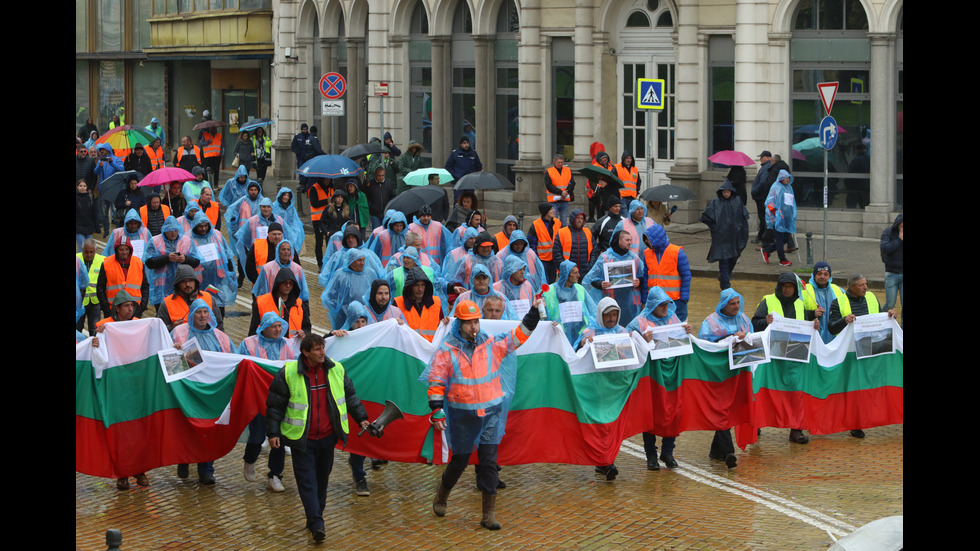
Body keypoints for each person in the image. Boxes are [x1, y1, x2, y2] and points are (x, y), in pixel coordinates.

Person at [425, 298, 543, 530]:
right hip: (462, 415)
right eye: (469, 323)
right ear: (459, 323)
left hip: (491, 412)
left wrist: (534, 313)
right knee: (460, 461)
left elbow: (518, 336)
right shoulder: (446, 351)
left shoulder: (491, 343)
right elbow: (436, 381)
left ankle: (488, 515)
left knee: (489, 461)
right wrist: (437, 410)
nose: (473, 327)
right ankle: (442, 495)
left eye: (476, 322)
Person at [264, 333, 370, 541]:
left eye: (323, 348)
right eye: (317, 349)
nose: (322, 352)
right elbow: (274, 406)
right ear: (305, 352)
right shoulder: (288, 373)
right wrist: (273, 432)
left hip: (328, 438)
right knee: (307, 482)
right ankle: (317, 524)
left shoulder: (336, 370)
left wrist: (362, 418)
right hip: (302, 440)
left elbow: (350, 397)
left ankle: (314, 516)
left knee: (322, 481)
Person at [90, 290, 150, 491]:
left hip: (136, 385)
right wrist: (95, 341)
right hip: (116, 386)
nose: (131, 309)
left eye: (132, 305)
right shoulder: (103, 326)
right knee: (119, 433)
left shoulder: (140, 325)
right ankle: (122, 474)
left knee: (139, 430)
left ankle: (140, 471)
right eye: (126, 306)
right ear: (117, 308)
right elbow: (94, 351)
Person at [626, 287, 692, 470]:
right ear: (653, 305)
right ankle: (651, 455)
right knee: (651, 413)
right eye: (661, 304)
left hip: (672, 375)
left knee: (673, 412)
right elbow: (627, 346)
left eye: (667, 304)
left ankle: (668, 451)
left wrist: (688, 332)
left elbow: (683, 340)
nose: (665, 307)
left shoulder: (673, 318)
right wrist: (640, 339)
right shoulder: (638, 322)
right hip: (652, 377)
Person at [750, 273, 819, 444]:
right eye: (785, 286)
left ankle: (796, 429)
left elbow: (802, 321)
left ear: (795, 288)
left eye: (791, 286)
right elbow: (754, 322)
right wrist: (765, 321)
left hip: (793, 358)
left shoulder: (799, 303)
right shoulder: (768, 301)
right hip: (771, 358)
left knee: (796, 393)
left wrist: (813, 321)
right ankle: (756, 423)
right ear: (779, 287)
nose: (788, 289)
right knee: (764, 390)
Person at [827, 273, 896, 439]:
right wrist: (844, 320)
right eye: (861, 285)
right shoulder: (838, 303)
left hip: (872, 350)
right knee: (854, 389)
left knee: (868, 387)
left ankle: (867, 417)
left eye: (866, 284)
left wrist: (889, 316)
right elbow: (831, 328)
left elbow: (879, 317)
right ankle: (855, 423)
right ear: (851, 287)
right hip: (850, 353)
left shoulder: (872, 297)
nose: (866, 287)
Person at [239, 313, 298, 493]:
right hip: (258, 400)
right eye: (274, 326)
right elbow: (238, 366)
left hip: (281, 401)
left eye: (280, 326)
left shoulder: (288, 345)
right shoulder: (248, 344)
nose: (278, 330)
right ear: (263, 327)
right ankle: (250, 459)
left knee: (278, 438)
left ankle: (275, 475)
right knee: (257, 437)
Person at [573, 297, 628, 480]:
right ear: (600, 315)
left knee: (611, 426)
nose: (612, 319)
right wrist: (582, 343)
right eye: (608, 315)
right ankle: (604, 461)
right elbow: (575, 353)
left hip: (615, 387)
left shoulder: (623, 332)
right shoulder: (589, 331)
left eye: (615, 315)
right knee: (599, 425)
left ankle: (606, 460)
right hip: (595, 387)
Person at [698, 288, 752, 469]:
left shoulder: (744, 319)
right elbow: (706, 346)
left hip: (737, 373)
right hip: (718, 375)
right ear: (724, 305)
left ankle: (716, 450)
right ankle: (729, 452)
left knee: (728, 409)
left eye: (738, 303)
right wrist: (730, 338)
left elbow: (753, 340)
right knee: (722, 409)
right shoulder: (710, 322)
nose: (736, 307)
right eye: (732, 304)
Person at [583, 230, 646, 323]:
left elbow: (645, 275)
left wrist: (639, 281)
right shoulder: (605, 257)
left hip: (629, 304)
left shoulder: (634, 258)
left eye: (630, 240)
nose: (630, 243)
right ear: (618, 241)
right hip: (610, 302)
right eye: (627, 240)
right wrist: (600, 284)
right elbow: (590, 279)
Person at [700, 179, 750, 290]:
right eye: (724, 192)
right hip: (721, 238)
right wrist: (715, 228)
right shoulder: (715, 202)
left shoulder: (737, 202)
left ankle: (724, 277)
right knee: (724, 261)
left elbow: (743, 219)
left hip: (735, 237)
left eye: (728, 191)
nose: (726, 194)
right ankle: (726, 286)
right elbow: (706, 217)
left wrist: (742, 233)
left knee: (733, 259)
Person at [186, 211, 237, 318]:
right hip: (198, 280)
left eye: (205, 226)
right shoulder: (188, 238)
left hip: (217, 278)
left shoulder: (217, 234)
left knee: (218, 305)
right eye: (200, 226)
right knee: (200, 306)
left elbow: (227, 254)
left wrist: (231, 273)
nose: (203, 229)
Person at [144, 217, 199, 311]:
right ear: (164, 230)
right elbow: (149, 263)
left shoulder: (187, 241)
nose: (173, 233)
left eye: (175, 230)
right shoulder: (155, 241)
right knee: (164, 313)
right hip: (161, 287)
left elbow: (196, 261)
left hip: (182, 285)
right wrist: (167, 258)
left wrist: (185, 259)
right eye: (170, 231)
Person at [321, 249, 383, 331]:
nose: (362, 263)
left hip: (365, 316)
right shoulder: (340, 274)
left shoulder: (370, 273)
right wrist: (338, 311)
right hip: (343, 316)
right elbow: (330, 296)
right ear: (351, 261)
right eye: (359, 260)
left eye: (363, 260)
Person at [641, 224, 691, 321]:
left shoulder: (676, 252)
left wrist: (684, 299)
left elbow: (686, 276)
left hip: (675, 300)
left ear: (656, 239)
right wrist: (644, 300)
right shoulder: (647, 253)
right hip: (655, 300)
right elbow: (646, 278)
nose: (646, 242)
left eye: (648, 239)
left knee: (677, 328)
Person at [542, 260, 596, 346]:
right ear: (566, 274)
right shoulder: (549, 291)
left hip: (580, 336)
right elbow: (542, 317)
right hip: (557, 337)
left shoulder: (580, 289)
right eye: (575, 273)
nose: (578, 275)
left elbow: (593, 311)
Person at [96, 236, 149, 320]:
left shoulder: (139, 263)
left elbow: (145, 286)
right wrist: (106, 309)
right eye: (121, 250)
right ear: (116, 250)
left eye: (126, 249)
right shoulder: (107, 264)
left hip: (134, 309)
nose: (124, 252)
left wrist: (142, 307)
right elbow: (100, 287)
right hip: (112, 309)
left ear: (130, 250)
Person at [156, 263, 219, 332]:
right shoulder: (167, 303)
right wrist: (172, 327)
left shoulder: (208, 298)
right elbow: (159, 331)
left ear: (195, 282)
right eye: (184, 281)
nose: (188, 284)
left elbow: (219, 326)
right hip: (178, 341)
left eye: (191, 280)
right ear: (178, 284)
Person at [250, 267, 310, 338]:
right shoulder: (261, 302)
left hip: (292, 346)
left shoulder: (299, 303)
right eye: (285, 283)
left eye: (290, 283)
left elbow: (307, 328)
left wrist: (304, 333)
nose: (288, 286)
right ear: (278, 283)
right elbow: (253, 331)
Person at [395, 267, 447, 342]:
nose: (420, 289)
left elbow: (441, 326)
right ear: (410, 287)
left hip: (430, 350)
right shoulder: (398, 303)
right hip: (408, 350)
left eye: (422, 285)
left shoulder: (436, 302)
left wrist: (445, 322)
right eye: (416, 285)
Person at [801, 262, 846, 344]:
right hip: (812, 340)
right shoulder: (804, 291)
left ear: (830, 277)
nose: (822, 277)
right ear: (814, 275)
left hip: (835, 340)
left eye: (826, 274)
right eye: (819, 274)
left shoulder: (839, 290)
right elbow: (796, 313)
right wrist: (812, 314)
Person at [762, 169, 797, 266]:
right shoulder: (775, 187)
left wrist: (791, 214)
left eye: (788, 177)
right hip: (776, 218)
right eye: (786, 177)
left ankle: (767, 250)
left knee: (785, 238)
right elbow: (769, 202)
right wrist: (776, 212)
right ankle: (782, 259)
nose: (787, 179)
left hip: (786, 218)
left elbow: (791, 202)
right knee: (780, 239)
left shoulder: (789, 187)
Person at [497, 229, 547, 294]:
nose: (519, 246)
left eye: (521, 243)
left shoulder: (530, 253)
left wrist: (540, 290)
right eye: (517, 244)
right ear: (512, 243)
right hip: (509, 290)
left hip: (531, 290)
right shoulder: (502, 255)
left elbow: (540, 273)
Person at [527, 202, 562, 284]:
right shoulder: (536, 225)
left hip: (554, 259)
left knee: (552, 282)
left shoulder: (558, 222)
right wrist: (534, 259)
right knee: (544, 283)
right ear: (546, 212)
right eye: (551, 209)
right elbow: (531, 244)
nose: (554, 211)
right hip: (541, 260)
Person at [554, 209, 593, 278]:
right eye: (578, 218)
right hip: (567, 273)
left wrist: (590, 266)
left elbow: (594, 251)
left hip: (585, 272)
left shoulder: (588, 232)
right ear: (573, 219)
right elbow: (556, 253)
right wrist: (563, 269)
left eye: (582, 218)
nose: (580, 220)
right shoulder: (562, 232)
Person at [76, 239, 105, 334]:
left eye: (91, 252)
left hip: (95, 301)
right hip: (79, 302)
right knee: (77, 329)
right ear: (82, 249)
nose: (89, 255)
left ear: (95, 250)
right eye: (86, 252)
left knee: (95, 329)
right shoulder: (76, 259)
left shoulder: (102, 260)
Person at [880, 214, 903, 327]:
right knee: (890, 303)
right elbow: (885, 248)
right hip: (891, 273)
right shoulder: (888, 233)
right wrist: (899, 239)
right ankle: (881, 323)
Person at [308, 178, 335, 269]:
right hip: (318, 219)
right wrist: (326, 201)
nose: (327, 181)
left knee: (330, 241)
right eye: (325, 180)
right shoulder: (314, 188)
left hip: (330, 218)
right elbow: (314, 203)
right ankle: (320, 264)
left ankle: (330, 263)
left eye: (328, 179)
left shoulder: (332, 187)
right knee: (319, 242)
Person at [445, 136, 483, 203]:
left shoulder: (473, 153)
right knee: (458, 200)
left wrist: (474, 176)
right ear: (461, 144)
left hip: (470, 182)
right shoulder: (455, 153)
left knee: (469, 200)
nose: (466, 145)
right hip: (458, 181)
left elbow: (478, 166)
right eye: (464, 143)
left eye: (467, 143)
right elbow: (448, 167)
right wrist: (454, 175)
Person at [291, 123, 324, 191]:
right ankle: (303, 184)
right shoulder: (298, 137)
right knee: (302, 171)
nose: (305, 131)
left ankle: (306, 185)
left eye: (306, 129)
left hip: (309, 158)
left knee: (309, 172)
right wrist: (299, 152)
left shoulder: (310, 137)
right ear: (301, 130)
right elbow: (293, 147)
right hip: (301, 157)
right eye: (303, 129)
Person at [544, 153, 575, 225]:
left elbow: (572, 183)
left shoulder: (567, 170)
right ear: (554, 162)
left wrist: (566, 191)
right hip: (553, 200)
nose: (560, 164)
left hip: (564, 199)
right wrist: (561, 192)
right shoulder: (549, 171)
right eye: (559, 162)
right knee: (554, 222)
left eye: (562, 162)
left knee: (564, 222)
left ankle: (562, 235)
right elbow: (549, 186)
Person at [750, 151, 773, 244]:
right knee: (763, 218)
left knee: (763, 218)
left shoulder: (766, 167)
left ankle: (764, 238)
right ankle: (761, 236)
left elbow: (763, 182)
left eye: (762, 157)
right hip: (762, 196)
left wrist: (755, 191)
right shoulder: (766, 167)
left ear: (767, 158)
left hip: (761, 197)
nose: (760, 159)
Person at [590, 196, 623, 260]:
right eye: (615, 206)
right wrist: (598, 250)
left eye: (619, 206)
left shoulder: (624, 220)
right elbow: (590, 237)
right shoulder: (602, 222)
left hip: (621, 257)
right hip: (607, 257)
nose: (618, 208)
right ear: (610, 207)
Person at [76, 180, 101, 252]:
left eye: (84, 186)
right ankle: (78, 263)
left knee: (89, 247)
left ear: (87, 187)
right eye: (80, 186)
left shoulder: (90, 198)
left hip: (88, 227)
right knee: (82, 246)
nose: (82, 188)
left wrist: (97, 227)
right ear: (77, 187)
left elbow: (94, 213)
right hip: (78, 227)